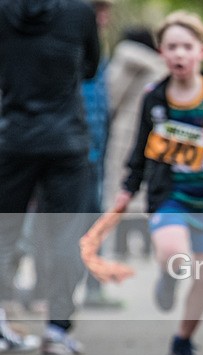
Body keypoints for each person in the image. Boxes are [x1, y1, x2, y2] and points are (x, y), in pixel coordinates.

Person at [113, 10, 203, 355]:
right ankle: (169, 277)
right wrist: (127, 189)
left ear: (201, 51)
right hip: (169, 194)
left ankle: (183, 341)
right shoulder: (154, 98)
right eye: (171, 47)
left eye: (186, 46)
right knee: (173, 253)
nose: (179, 54)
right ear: (161, 53)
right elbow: (140, 148)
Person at [0, 0, 100, 355]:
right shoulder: (80, 13)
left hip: (12, 138)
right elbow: (89, 68)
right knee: (66, 233)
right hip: (66, 139)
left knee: (4, 233)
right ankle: (57, 331)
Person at [104, 27, 168, 259]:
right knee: (144, 187)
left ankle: (122, 246)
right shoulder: (159, 65)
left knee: (121, 186)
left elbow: (111, 93)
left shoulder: (125, 58)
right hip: (153, 131)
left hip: (125, 130)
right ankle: (147, 245)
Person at [81, 0, 122, 309]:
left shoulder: (101, 49)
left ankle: (95, 284)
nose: (103, 18)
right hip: (74, 147)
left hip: (97, 149)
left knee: (96, 215)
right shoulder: (72, 44)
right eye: (97, 11)